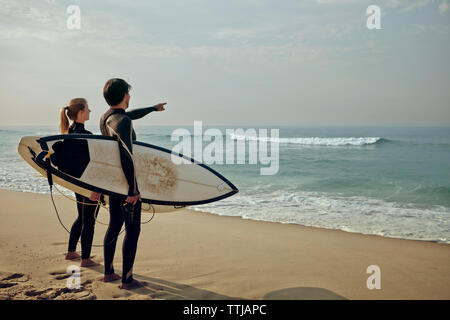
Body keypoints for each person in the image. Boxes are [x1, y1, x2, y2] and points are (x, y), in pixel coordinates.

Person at [97, 78, 166, 289]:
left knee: (114, 225)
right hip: (126, 185)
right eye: (128, 93)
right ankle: (127, 279)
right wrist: (133, 190)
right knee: (132, 230)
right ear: (125, 96)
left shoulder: (107, 117)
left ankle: (108, 272)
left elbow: (130, 114)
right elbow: (127, 156)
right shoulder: (122, 122)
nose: (130, 96)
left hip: (113, 185)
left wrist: (153, 109)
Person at [60, 98, 101, 268]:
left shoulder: (68, 133)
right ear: (80, 112)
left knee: (82, 217)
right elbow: (90, 166)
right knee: (89, 220)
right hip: (88, 185)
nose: (90, 111)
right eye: (88, 108)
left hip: (77, 184)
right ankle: (85, 259)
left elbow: (71, 165)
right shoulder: (86, 136)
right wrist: (94, 188)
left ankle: (71, 252)